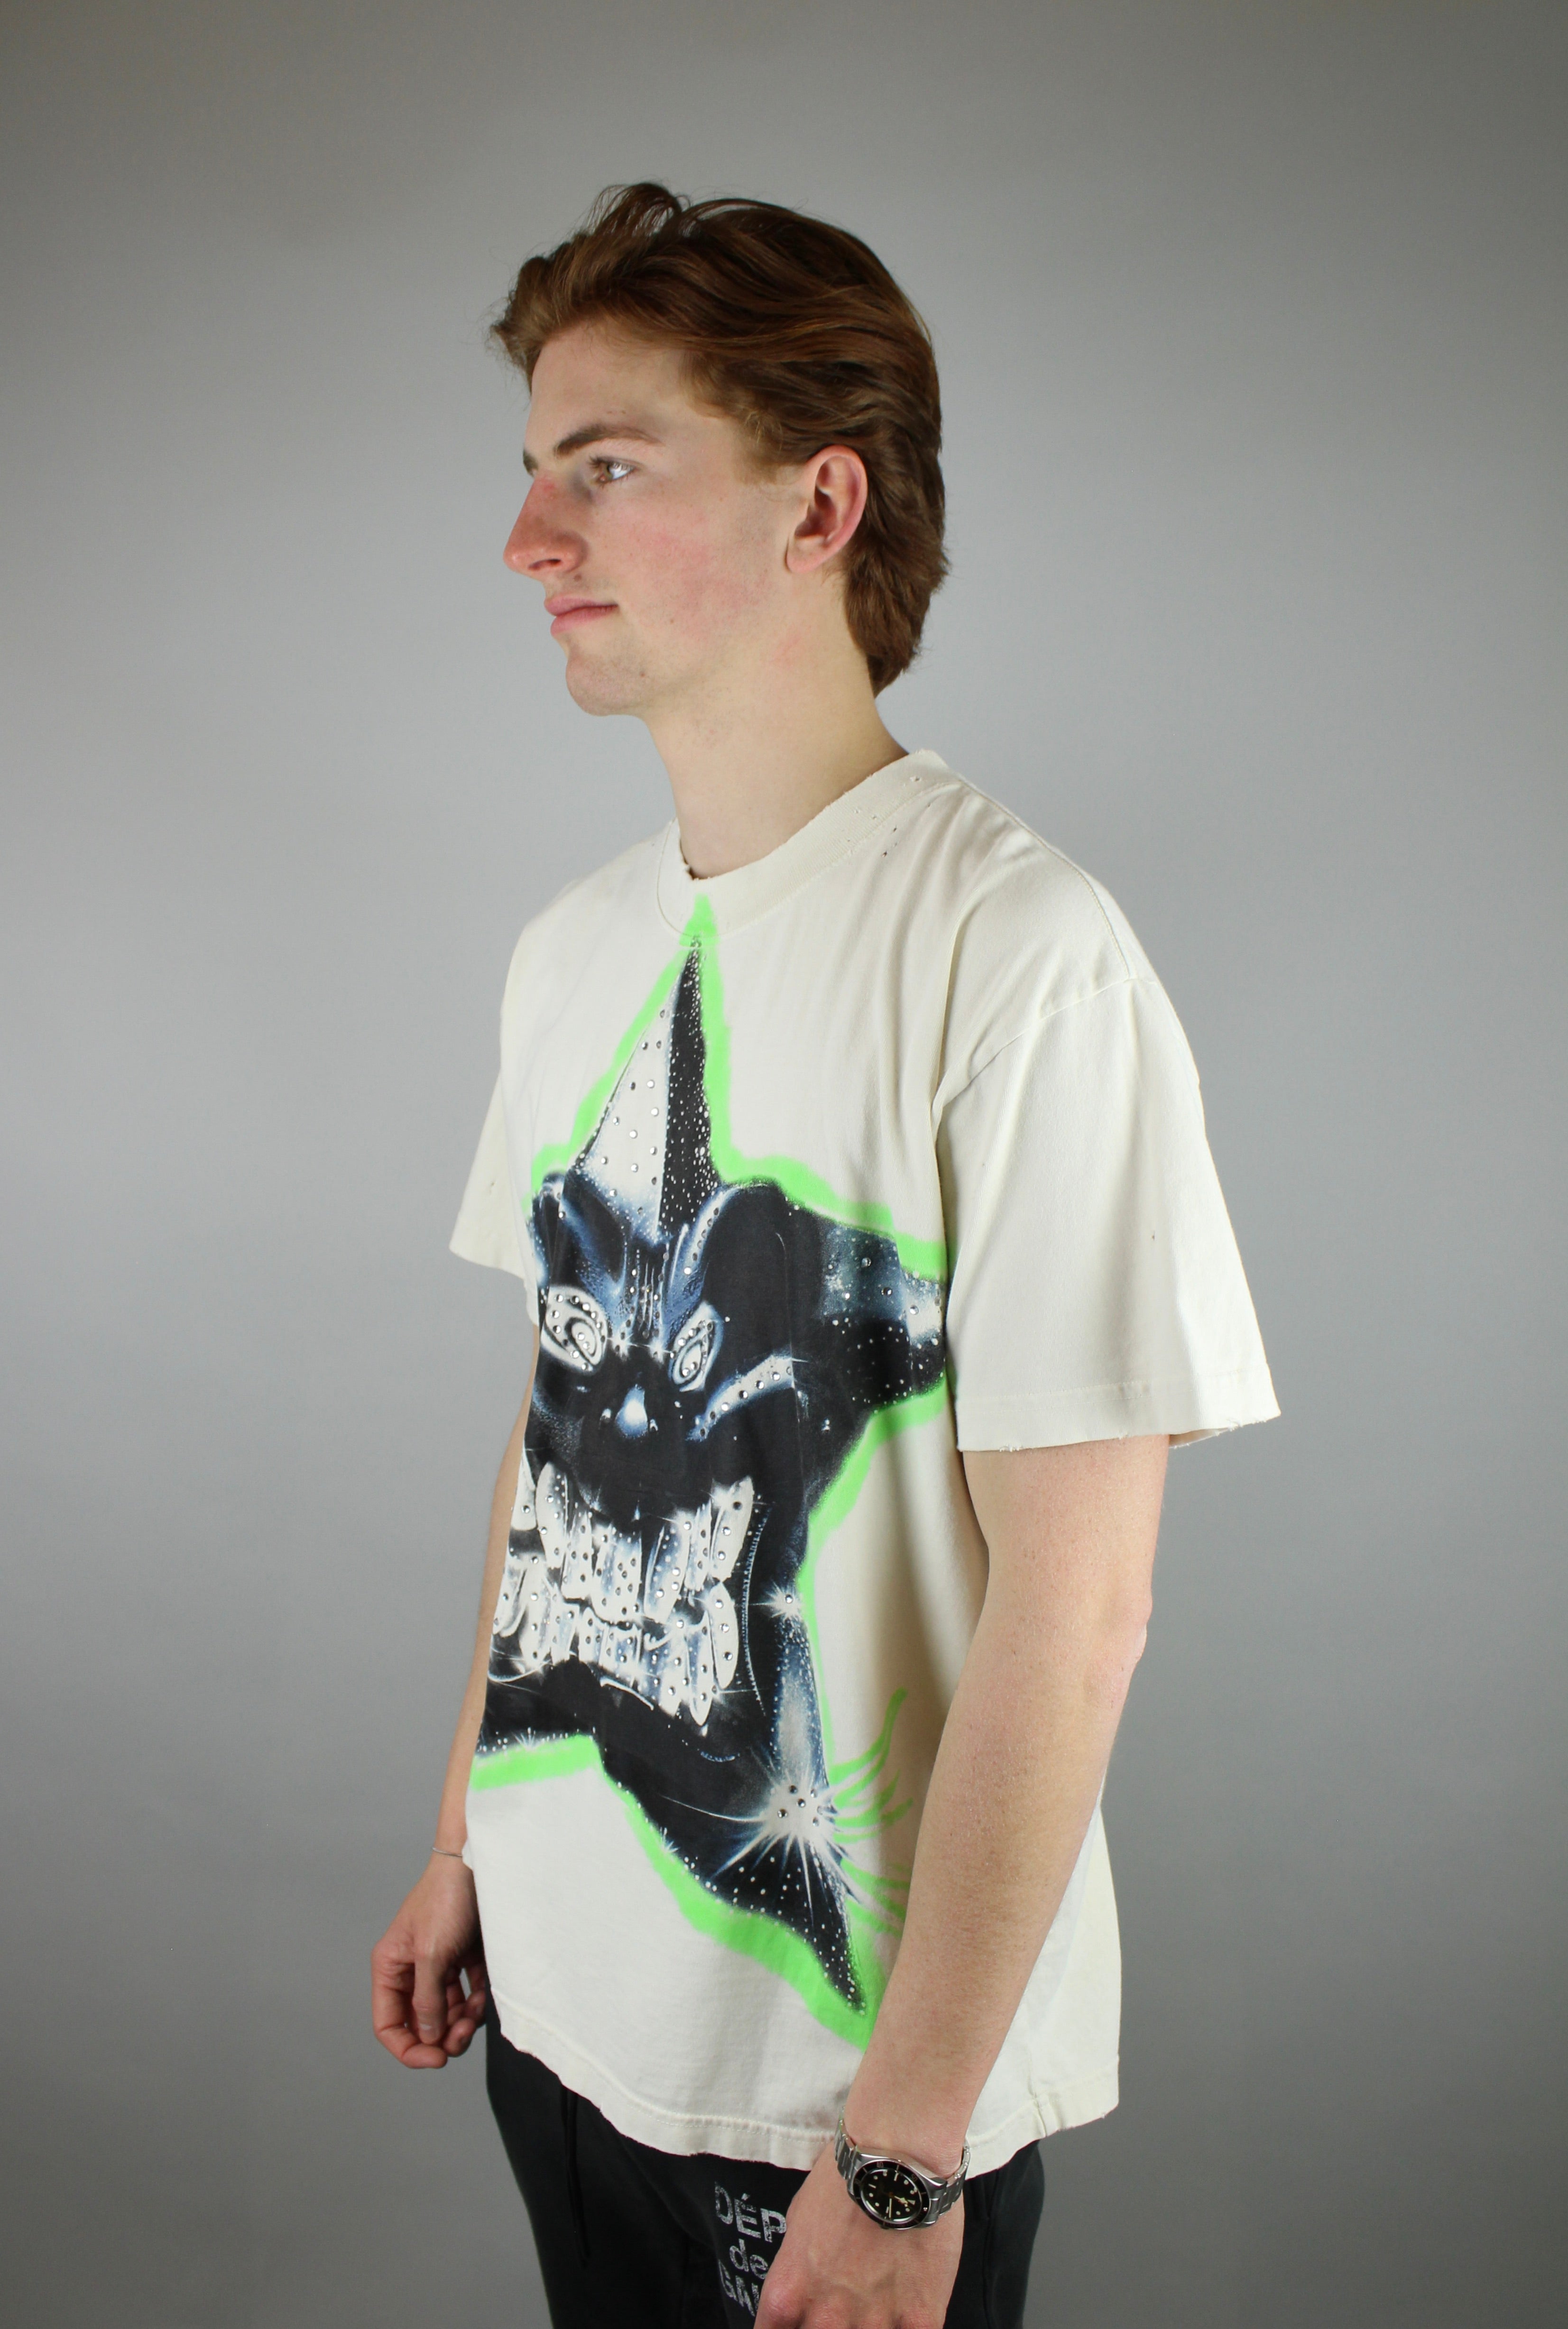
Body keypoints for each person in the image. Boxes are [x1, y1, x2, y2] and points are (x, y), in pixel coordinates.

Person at [370, 183, 1277, 2329]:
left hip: (837, 2101)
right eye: (532, 470)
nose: (527, 541)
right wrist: (466, 1836)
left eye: (604, 468)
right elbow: (557, 1436)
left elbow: (1080, 1607)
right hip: (558, 2012)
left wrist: (904, 2139)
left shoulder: (1016, 955)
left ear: (818, 505)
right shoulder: (571, 950)